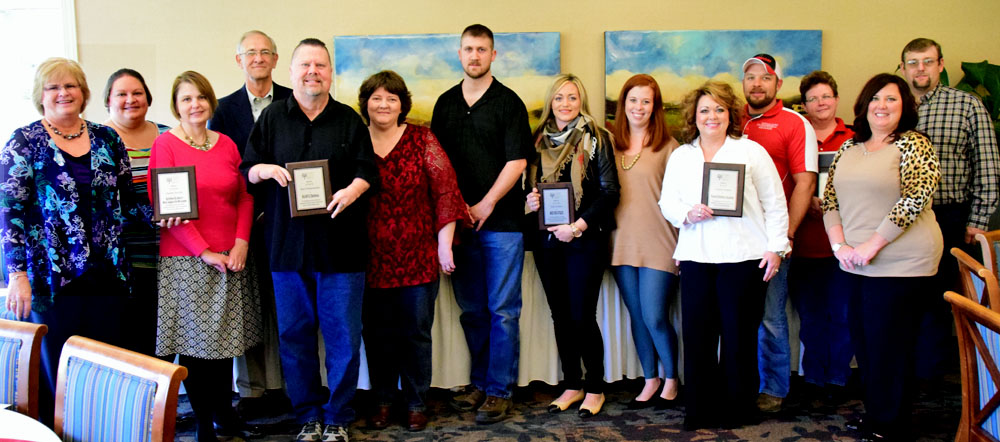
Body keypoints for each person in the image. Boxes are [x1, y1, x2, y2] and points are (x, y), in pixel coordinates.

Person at [0, 57, 153, 424]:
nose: (63, 93)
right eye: (53, 87)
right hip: (51, 279)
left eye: (70, 86)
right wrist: (16, 275)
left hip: (108, 275)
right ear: (41, 95)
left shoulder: (106, 138)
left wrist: (172, 213)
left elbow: (129, 200)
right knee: (57, 373)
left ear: (83, 92)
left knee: (106, 367)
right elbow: (9, 213)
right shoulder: (24, 141)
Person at [241, 38, 377, 442]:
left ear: (330, 73)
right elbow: (247, 170)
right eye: (305, 65)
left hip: (341, 250)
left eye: (320, 65)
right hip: (287, 250)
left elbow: (367, 171)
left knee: (343, 340)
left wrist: (352, 190)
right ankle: (308, 416)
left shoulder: (349, 120)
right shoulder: (270, 120)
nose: (312, 72)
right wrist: (264, 169)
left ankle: (337, 415)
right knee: (294, 338)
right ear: (291, 72)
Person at [658, 80, 788, 430]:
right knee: (698, 339)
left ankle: (738, 410)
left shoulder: (750, 152)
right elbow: (667, 203)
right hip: (697, 258)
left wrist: (777, 248)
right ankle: (700, 411)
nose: (711, 116)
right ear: (693, 117)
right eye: (704, 110)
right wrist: (688, 212)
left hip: (744, 258)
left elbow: (776, 203)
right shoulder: (682, 156)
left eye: (718, 108)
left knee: (738, 339)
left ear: (729, 113)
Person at [822, 73, 942, 441]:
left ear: (904, 105)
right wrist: (840, 247)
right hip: (856, 262)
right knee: (866, 343)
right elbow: (829, 200)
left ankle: (892, 425)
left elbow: (914, 198)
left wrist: (870, 246)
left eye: (891, 99)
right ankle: (878, 415)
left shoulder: (914, 144)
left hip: (902, 262)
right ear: (864, 105)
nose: (882, 106)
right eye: (876, 98)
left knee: (890, 347)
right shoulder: (849, 148)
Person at [150, 71, 261, 442]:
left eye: (200, 97)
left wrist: (241, 242)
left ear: (210, 101)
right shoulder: (164, 145)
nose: (194, 105)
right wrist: (205, 252)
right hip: (187, 260)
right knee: (197, 350)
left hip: (232, 256)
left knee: (225, 343)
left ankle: (223, 415)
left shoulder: (227, 144)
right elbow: (167, 209)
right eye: (186, 99)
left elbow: (245, 196)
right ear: (176, 106)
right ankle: (203, 425)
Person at [430, 24, 533, 424]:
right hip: (459, 225)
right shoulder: (445, 104)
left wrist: (486, 203)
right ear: (460, 54)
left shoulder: (509, 103)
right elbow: (438, 167)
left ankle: (499, 390)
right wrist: (456, 211)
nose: (475, 56)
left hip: (502, 223)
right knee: (472, 310)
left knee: (503, 310)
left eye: (482, 49)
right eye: (468, 49)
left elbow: (518, 161)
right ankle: (480, 381)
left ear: (494, 55)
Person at [359, 70, 469, 432]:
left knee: (415, 334)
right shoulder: (356, 140)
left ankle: (417, 401)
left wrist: (444, 245)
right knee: (377, 335)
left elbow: (446, 191)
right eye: (377, 98)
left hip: (419, 256)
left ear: (401, 104)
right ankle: (383, 400)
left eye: (391, 98)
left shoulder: (422, 139)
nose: (384, 104)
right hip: (369, 257)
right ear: (366, 103)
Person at [898, 38, 1000, 381]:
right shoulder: (890, 105)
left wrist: (977, 222)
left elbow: (987, 166)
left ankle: (929, 377)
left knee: (939, 297)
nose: (920, 69)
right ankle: (905, 374)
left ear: (941, 64)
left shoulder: (966, 105)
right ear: (903, 68)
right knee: (903, 297)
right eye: (913, 62)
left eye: (927, 61)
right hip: (897, 220)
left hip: (948, 216)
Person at [208, 29, 293, 417]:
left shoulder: (296, 102)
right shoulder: (223, 111)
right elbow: (222, 169)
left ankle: (295, 386)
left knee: (291, 309)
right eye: (250, 53)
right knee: (250, 308)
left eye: (265, 52)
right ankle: (254, 390)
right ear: (238, 60)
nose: (258, 58)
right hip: (240, 226)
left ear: (276, 60)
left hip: (288, 221)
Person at [524, 74, 619, 418]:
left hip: (584, 240)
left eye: (573, 98)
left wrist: (577, 227)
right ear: (551, 101)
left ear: (582, 102)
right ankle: (571, 384)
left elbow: (610, 192)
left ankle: (595, 387)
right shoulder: (536, 141)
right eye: (559, 97)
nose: (566, 104)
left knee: (581, 315)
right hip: (546, 241)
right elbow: (527, 188)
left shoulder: (596, 139)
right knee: (560, 315)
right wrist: (530, 202)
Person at [740, 53, 818, 413]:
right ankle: (741, 384)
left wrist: (784, 236)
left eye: (765, 77)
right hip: (734, 243)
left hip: (772, 242)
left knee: (771, 318)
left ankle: (773, 388)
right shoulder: (730, 120)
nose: (757, 83)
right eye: (751, 77)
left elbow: (805, 183)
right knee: (739, 317)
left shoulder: (793, 123)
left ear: (778, 84)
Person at [608, 74, 681, 408]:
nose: (639, 107)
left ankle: (671, 379)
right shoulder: (611, 143)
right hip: (621, 243)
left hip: (660, 243)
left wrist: (684, 247)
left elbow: (682, 201)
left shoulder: (669, 147)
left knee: (654, 316)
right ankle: (650, 378)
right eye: (633, 100)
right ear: (624, 104)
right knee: (636, 316)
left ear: (656, 107)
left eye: (646, 101)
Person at [793, 70, 855, 406]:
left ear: (836, 99)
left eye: (826, 96)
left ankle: (838, 378)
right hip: (805, 244)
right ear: (804, 105)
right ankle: (815, 379)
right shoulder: (798, 135)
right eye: (813, 98)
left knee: (842, 315)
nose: (821, 103)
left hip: (844, 246)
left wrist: (833, 204)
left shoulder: (855, 138)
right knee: (811, 318)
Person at [102, 68, 171, 356]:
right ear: (108, 100)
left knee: (167, 345)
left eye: (137, 93)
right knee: (133, 346)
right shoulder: (98, 142)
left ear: (148, 97)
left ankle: (164, 402)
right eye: (122, 94)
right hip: (125, 265)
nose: (130, 99)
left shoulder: (169, 136)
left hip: (171, 257)